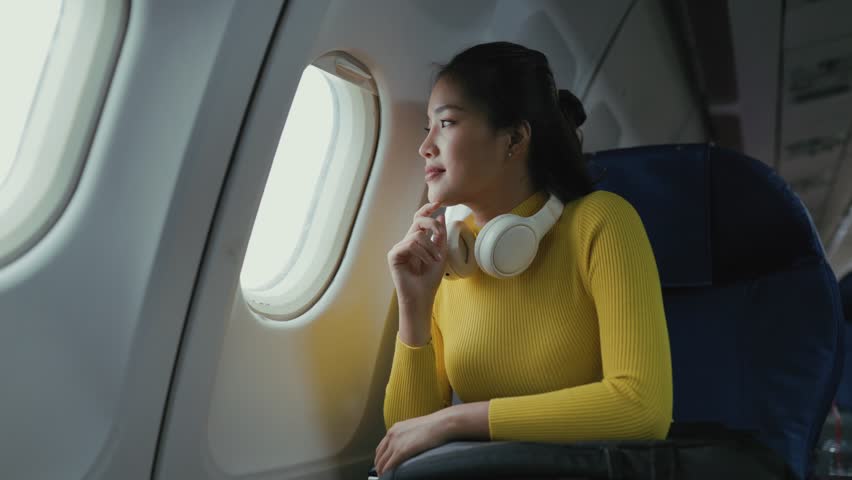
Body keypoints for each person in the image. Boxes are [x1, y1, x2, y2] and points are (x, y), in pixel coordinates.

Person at [374, 41, 672, 476]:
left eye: (447, 123)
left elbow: (641, 409)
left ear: (514, 138)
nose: (426, 148)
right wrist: (414, 308)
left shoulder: (600, 223)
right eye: (427, 129)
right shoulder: (455, 255)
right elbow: (405, 439)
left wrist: (458, 419)